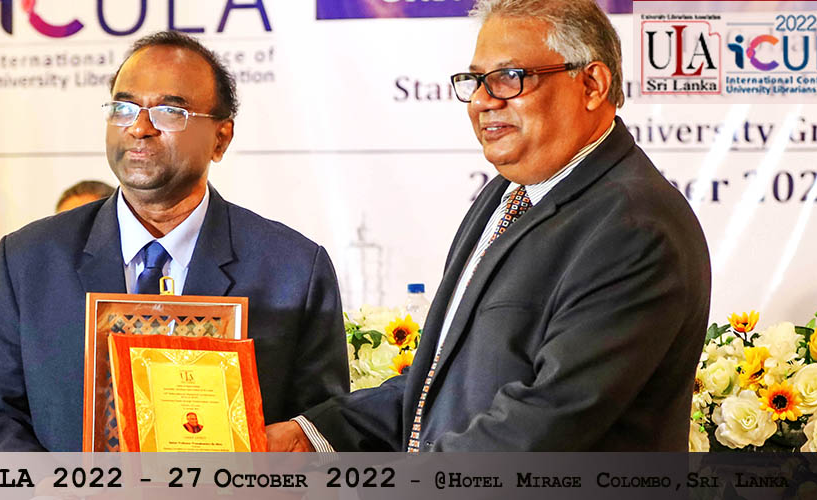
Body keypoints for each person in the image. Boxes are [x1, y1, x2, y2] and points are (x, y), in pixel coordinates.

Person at [267, 0, 711, 452]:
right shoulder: (507, 192)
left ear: (592, 85)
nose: (482, 101)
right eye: (476, 81)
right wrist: (314, 432)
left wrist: (389, 483)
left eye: (509, 78)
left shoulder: (634, 227)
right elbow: (443, 384)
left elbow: (542, 427)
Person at [0, 31, 348, 451]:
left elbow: (320, 428)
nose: (139, 128)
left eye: (170, 112)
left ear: (221, 138)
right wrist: (56, 484)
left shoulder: (293, 270)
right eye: (123, 108)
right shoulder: (29, 260)